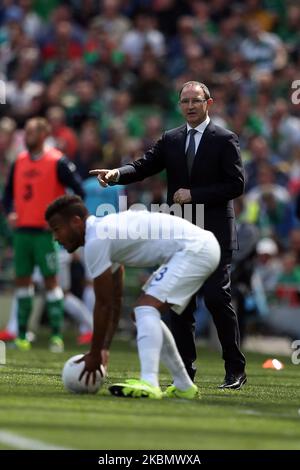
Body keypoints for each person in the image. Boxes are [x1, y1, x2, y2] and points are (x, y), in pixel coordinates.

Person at [90, 80, 247, 389]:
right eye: (185, 101)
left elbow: (236, 185)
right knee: (180, 306)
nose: (190, 105)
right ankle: (186, 372)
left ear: (208, 103)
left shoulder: (225, 139)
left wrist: (195, 195)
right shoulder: (171, 139)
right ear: (180, 105)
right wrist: (116, 174)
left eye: (195, 100)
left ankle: (235, 368)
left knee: (216, 298)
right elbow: (145, 165)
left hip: (214, 232)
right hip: (179, 234)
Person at [45, 194, 221, 399]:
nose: (56, 238)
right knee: (143, 313)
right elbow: (115, 299)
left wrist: (94, 353)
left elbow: (103, 304)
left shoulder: (96, 240)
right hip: (196, 247)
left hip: (195, 249)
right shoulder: (103, 233)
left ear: (76, 222)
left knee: (146, 309)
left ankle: (149, 382)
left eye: (57, 229)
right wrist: (104, 349)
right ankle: (184, 386)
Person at [1, 117, 84, 351]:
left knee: (51, 282)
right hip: (22, 232)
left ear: (43, 134)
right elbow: (7, 195)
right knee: (22, 283)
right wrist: (10, 212)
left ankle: (56, 335)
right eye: (25, 132)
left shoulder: (57, 161)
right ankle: (22, 334)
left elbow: (78, 191)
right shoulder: (19, 161)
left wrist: (62, 220)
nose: (26, 137)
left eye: (31, 133)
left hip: (45, 234)